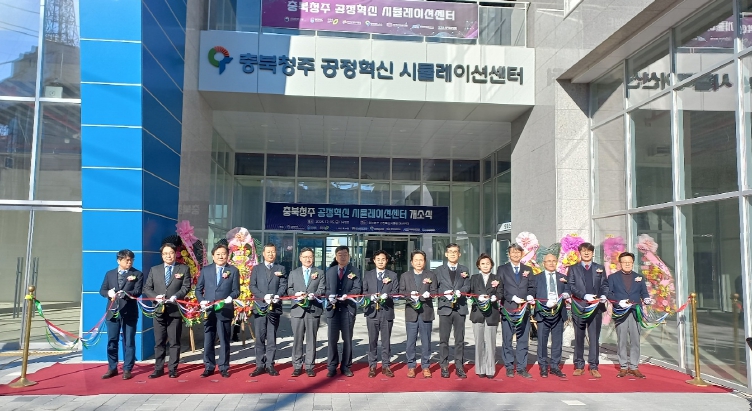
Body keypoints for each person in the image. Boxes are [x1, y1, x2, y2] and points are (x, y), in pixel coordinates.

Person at [143, 243, 191, 378]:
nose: (168, 256)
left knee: (174, 341)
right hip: (159, 310)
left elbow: (186, 286)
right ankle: (158, 368)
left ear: (175, 254)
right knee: (159, 341)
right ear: (162, 255)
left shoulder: (183, 268)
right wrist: (155, 297)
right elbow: (147, 288)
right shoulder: (154, 270)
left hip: (174, 309)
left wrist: (177, 296)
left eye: (170, 253)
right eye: (165, 253)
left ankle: (172, 369)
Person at [196, 244, 240, 378]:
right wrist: (201, 300)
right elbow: (198, 289)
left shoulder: (233, 270)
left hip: (224, 309)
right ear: (213, 256)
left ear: (228, 255)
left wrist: (230, 297)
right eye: (218, 254)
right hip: (209, 309)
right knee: (208, 339)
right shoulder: (206, 270)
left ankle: (224, 366)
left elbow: (236, 290)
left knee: (224, 339)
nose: (221, 256)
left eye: (223, 254)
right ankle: (209, 366)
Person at [99, 249, 143, 380]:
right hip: (113, 312)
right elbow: (102, 290)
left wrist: (126, 294)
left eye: (132, 260)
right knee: (112, 341)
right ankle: (112, 367)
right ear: (119, 260)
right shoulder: (110, 274)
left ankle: (127, 368)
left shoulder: (137, 274)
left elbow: (138, 291)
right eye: (127, 260)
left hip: (129, 312)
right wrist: (108, 293)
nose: (130, 262)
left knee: (129, 341)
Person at [568, 242, 609, 378]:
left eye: (589, 251)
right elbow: (571, 286)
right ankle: (579, 365)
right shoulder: (573, 268)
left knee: (594, 338)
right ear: (580, 253)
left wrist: (604, 295)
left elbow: (604, 285)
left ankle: (593, 366)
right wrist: (584, 295)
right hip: (579, 307)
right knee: (579, 337)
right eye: (584, 251)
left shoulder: (599, 268)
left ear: (592, 253)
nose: (586, 253)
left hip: (595, 308)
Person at [608, 252, 651, 378]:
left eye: (630, 262)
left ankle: (634, 367)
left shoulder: (639, 277)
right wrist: (618, 302)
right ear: (620, 263)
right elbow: (609, 293)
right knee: (621, 340)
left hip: (635, 312)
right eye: (625, 262)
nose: (627, 264)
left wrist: (646, 298)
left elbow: (644, 292)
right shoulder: (613, 277)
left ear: (633, 263)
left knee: (635, 340)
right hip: (620, 312)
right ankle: (623, 366)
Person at [497, 243, 536, 378]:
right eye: (513, 252)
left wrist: (530, 295)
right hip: (508, 308)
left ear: (522, 254)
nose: (515, 254)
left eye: (518, 252)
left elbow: (532, 287)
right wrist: (512, 297)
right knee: (507, 339)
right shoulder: (502, 269)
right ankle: (509, 366)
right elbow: (500, 288)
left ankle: (521, 367)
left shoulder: (528, 269)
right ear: (509, 254)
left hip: (524, 309)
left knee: (523, 339)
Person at [249, 243, 288, 377]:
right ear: (263, 254)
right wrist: (263, 296)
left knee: (271, 337)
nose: (271, 254)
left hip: (274, 307)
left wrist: (278, 295)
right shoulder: (256, 269)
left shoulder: (281, 268)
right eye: (268, 252)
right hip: (260, 306)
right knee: (259, 337)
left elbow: (283, 285)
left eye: (273, 252)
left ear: (276, 253)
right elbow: (252, 286)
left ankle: (270, 364)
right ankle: (259, 365)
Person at [287, 247, 326, 377]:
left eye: (310, 257)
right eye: (305, 257)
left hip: (313, 309)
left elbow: (322, 289)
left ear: (313, 258)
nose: (307, 259)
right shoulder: (294, 273)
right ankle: (297, 366)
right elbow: (289, 290)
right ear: (300, 258)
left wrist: (314, 294)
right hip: (297, 310)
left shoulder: (320, 272)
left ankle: (309, 366)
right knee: (297, 340)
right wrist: (296, 294)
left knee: (311, 340)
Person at [398, 250, 437, 378]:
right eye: (416, 260)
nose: (418, 262)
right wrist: (410, 295)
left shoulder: (431, 275)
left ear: (424, 262)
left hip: (426, 311)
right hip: (411, 312)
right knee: (410, 341)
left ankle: (425, 366)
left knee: (426, 341)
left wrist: (429, 295)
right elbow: (401, 292)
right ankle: (411, 366)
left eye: (421, 260)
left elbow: (435, 291)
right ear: (411, 262)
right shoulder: (405, 276)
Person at [324, 245, 362, 377]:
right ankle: (332, 366)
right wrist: (329, 296)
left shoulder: (355, 271)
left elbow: (358, 288)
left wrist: (348, 295)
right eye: (340, 255)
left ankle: (346, 366)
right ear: (336, 257)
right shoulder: (330, 271)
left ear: (349, 256)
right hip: (333, 310)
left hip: (347, 309)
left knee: (347, 340)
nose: (343, 257)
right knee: (332, 340)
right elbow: (325, 288)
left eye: (345, 254)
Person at [435, 243, 471, 379]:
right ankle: (444, 366)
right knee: (443, 340)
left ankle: (459, 366)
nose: (453, 254)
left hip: (460, 308)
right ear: (446, 254)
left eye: (455, 252)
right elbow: (435, 287)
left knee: (459, 340)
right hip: (445, 308)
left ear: (459, 254)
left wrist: (460, 292)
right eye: (450, 251)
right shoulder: (438, 270)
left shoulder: (464, 269)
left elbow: (468, 286)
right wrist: (444, 293)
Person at [362, 249, 399, 378]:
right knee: (372, 341)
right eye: (378, 259)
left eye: (383, 259)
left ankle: (386, 365)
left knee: (386, 341)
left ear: (387, 261)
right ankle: (372, 365)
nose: (381, 261)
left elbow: (396, 292)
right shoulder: (368, 275)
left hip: (386, 311)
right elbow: (363, 291)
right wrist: (369, 297)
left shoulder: (393, 275)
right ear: (374, 261)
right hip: (372, 311)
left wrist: (387, 296)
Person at [534, 253, 570, 378]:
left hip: (558, 313)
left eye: (553, 261)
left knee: (557, 342)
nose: (551, 263)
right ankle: (543, 367)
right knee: (542, 342)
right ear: (543, 263)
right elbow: (532, 293)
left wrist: (566, 293)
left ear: (557, 262)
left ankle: (555, 366)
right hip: (542, 313)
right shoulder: (537, 278)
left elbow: (569, 289)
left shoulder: (563, 277)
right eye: (548, 261)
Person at [469, 253, 501, 378]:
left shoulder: (496, 278)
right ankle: (480, 368)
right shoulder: (474, 278)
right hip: (477, 313)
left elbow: (501, 292)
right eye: (483, 264)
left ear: (491, 265)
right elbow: (470, 292)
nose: (485, 266)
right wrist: (477, 297)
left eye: (488, 263)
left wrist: (495, 297)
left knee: (491, 342)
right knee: (479, 342)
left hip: (492, 313)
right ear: (478, 265)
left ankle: (490, 369)